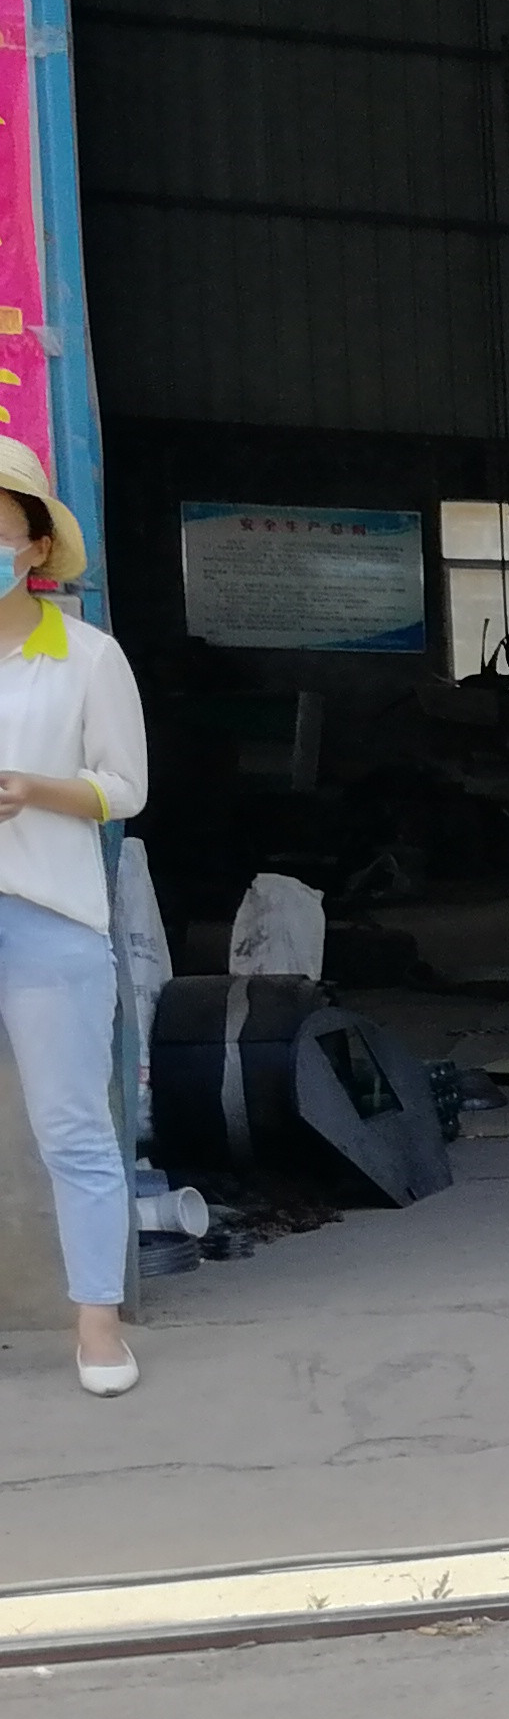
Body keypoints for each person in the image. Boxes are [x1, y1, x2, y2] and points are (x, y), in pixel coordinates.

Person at [0, 438, 149, 1393]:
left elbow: (125, 787)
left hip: (47, 913)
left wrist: (34, 791)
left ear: (36, 546)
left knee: (74, 1130)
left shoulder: (86, 655)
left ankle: (98, 1324)